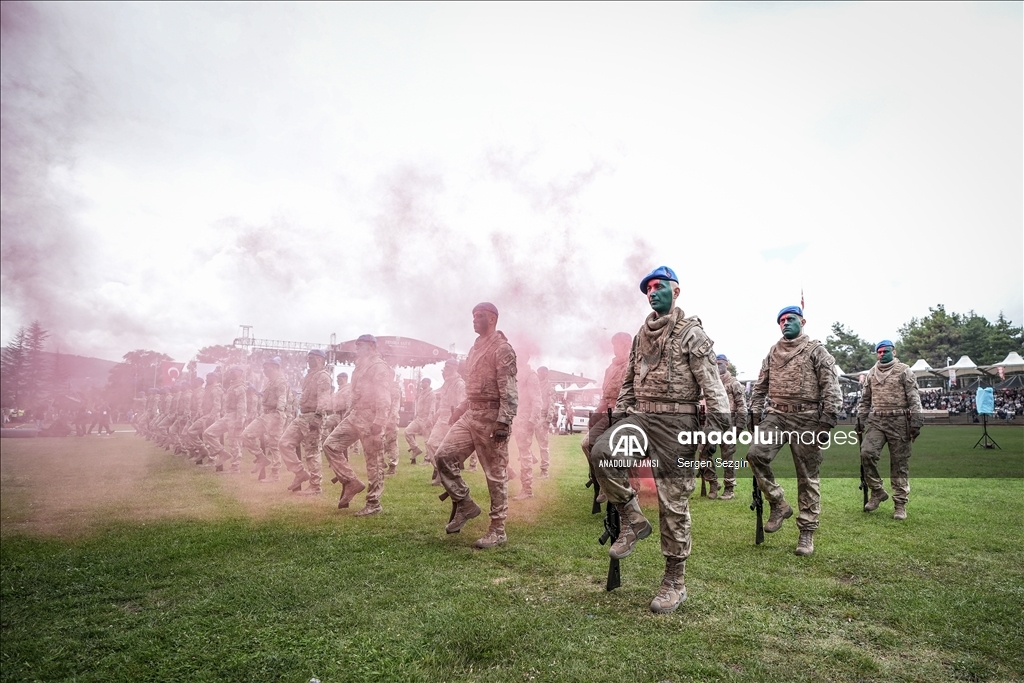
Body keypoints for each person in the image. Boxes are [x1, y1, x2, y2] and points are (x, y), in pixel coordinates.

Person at [589, 266, 731, 614]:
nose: (652, 293)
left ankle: (674, 581)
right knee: (602, 453)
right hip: (640, 417)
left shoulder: (691, 334)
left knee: (673, 504)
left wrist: (714, 431)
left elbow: (714, 389)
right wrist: (622, 412)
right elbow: (628, 380)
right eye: (648, 288)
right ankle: (633, 519)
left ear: (676, 291)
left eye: (659, 287)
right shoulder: (641, 333)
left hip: (676, 423)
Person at [747, 305, 842, 556]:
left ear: (803, 321)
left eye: (791, 319)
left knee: (807, 476)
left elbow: (831, 387)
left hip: (807, 417)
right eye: (782, 320)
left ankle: (807, 532)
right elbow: (760, 386)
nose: (786, 323)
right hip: (776, 414)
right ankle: (778, 503)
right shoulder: (773, 352)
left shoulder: (816, 351)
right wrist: (755, 412)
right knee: (755, 454)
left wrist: (826, 422)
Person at [435, 302, 518, 549]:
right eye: (473, 316)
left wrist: (504, 421)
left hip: (492, 417)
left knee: (495, 474)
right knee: (443, 456)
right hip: (471, 413)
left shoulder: (502, 348)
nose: (474, 320)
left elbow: (509, 389)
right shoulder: (475, 348)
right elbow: (473, 386)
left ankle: (498, 529)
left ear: (492, 319)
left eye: (479, 316)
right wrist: (461, 408)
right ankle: (466, 504)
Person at [321, 335, 392, 515]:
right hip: (356, 414)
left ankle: (374, 503)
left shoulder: (378, 367)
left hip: (371, 416)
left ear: (372, 346)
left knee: (373, 461)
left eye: (361, 346)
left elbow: (383, 395)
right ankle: (351, 482)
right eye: (357, 346)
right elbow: (354, 394)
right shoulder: (360, 367)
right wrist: (346, 412)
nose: (357, 349)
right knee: (330, 445)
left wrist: (380, 420)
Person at [857, 340, 923, 520]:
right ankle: (877, 490)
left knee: (899, 463)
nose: (881, 354)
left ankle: (900, 504)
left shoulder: (904, 370)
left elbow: (914, 397)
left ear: (893, 352)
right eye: (878, 352)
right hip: (877, 420)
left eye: (885, 351)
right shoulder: (871, 373)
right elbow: (865, 399)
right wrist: (860, 419)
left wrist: (917, 421)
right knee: (866, 453)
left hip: (900, 420)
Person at [279, 349, 333, 494]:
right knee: (284, 443)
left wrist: (318, 417)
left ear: (320, 359)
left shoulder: (323, 376)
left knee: (312, 452)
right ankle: (300, 473)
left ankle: (315, 486)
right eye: (308, 358)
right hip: (302, 416)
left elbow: (324, 398)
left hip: (313, 416)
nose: (308, 360)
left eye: (312, 358)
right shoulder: (309, 376)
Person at [698, 354, 747, 500]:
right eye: (716, 363)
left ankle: (729, 489)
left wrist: (738, 428)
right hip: (712, 424)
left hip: (729, 425)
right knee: (703, 453)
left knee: (727, 458)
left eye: (720, 363)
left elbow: (742, 407)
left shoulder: (734, 383)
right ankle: (713, 483)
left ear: (727, 364)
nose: (718, 366)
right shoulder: (711, 383)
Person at [241, 357, 289, 482]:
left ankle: (275, 474)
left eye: (267, 367)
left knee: (274, 445)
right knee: (246, 435)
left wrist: (279, 413)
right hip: (265, 415)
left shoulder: (280, 382)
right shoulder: (268, 382)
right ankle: (261, 458)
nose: (264, 369)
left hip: (275, 415)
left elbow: (282, 398)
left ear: (275, 368)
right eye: (264, 367)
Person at [426, 360, 466, 485]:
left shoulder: (459, 384)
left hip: (452, 419)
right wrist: (436, 414)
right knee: (432, 443)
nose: (445, 370)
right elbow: (443, 402)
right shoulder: (446, 383)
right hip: (442, 419)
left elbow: (463, 403)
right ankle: (440, 471)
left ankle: (448, 476)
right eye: (445, 367)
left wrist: (457, 418)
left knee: (448, 449)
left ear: (455, 368)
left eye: (448, 367)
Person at [205, 366, 247, 473]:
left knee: (234, 442)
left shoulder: (240, 388)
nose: (230, 374)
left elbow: (242, 406)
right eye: (230, 372)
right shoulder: (231, 386)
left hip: (235, 416)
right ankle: (222, 453)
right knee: (208, 433)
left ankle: (235, 467)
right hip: (227, 416)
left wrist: (240, 420)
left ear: (240, 373)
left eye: (233, 372)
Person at [511, 350, 541, 499]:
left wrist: (532, 420)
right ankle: (510, 471)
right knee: (496, 446)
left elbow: (537, 400)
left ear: (526, 358)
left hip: (524, 419)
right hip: (513, 417)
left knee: (524, 454)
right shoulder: (515, 374)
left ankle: (527, 489)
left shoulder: (531, 376)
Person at [404, 378, 435, 465]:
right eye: (421, 382)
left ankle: (427, 459)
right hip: (418, 418)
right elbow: (418, 405)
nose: (422, 384)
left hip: (426, 418)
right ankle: (415, 449)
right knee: (407, 431)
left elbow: (432, 407)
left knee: (427, 440)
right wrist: (416, 414)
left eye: (424, 382)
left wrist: (430, 418)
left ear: (428, 383)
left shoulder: (431, 394)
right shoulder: (421, 393)